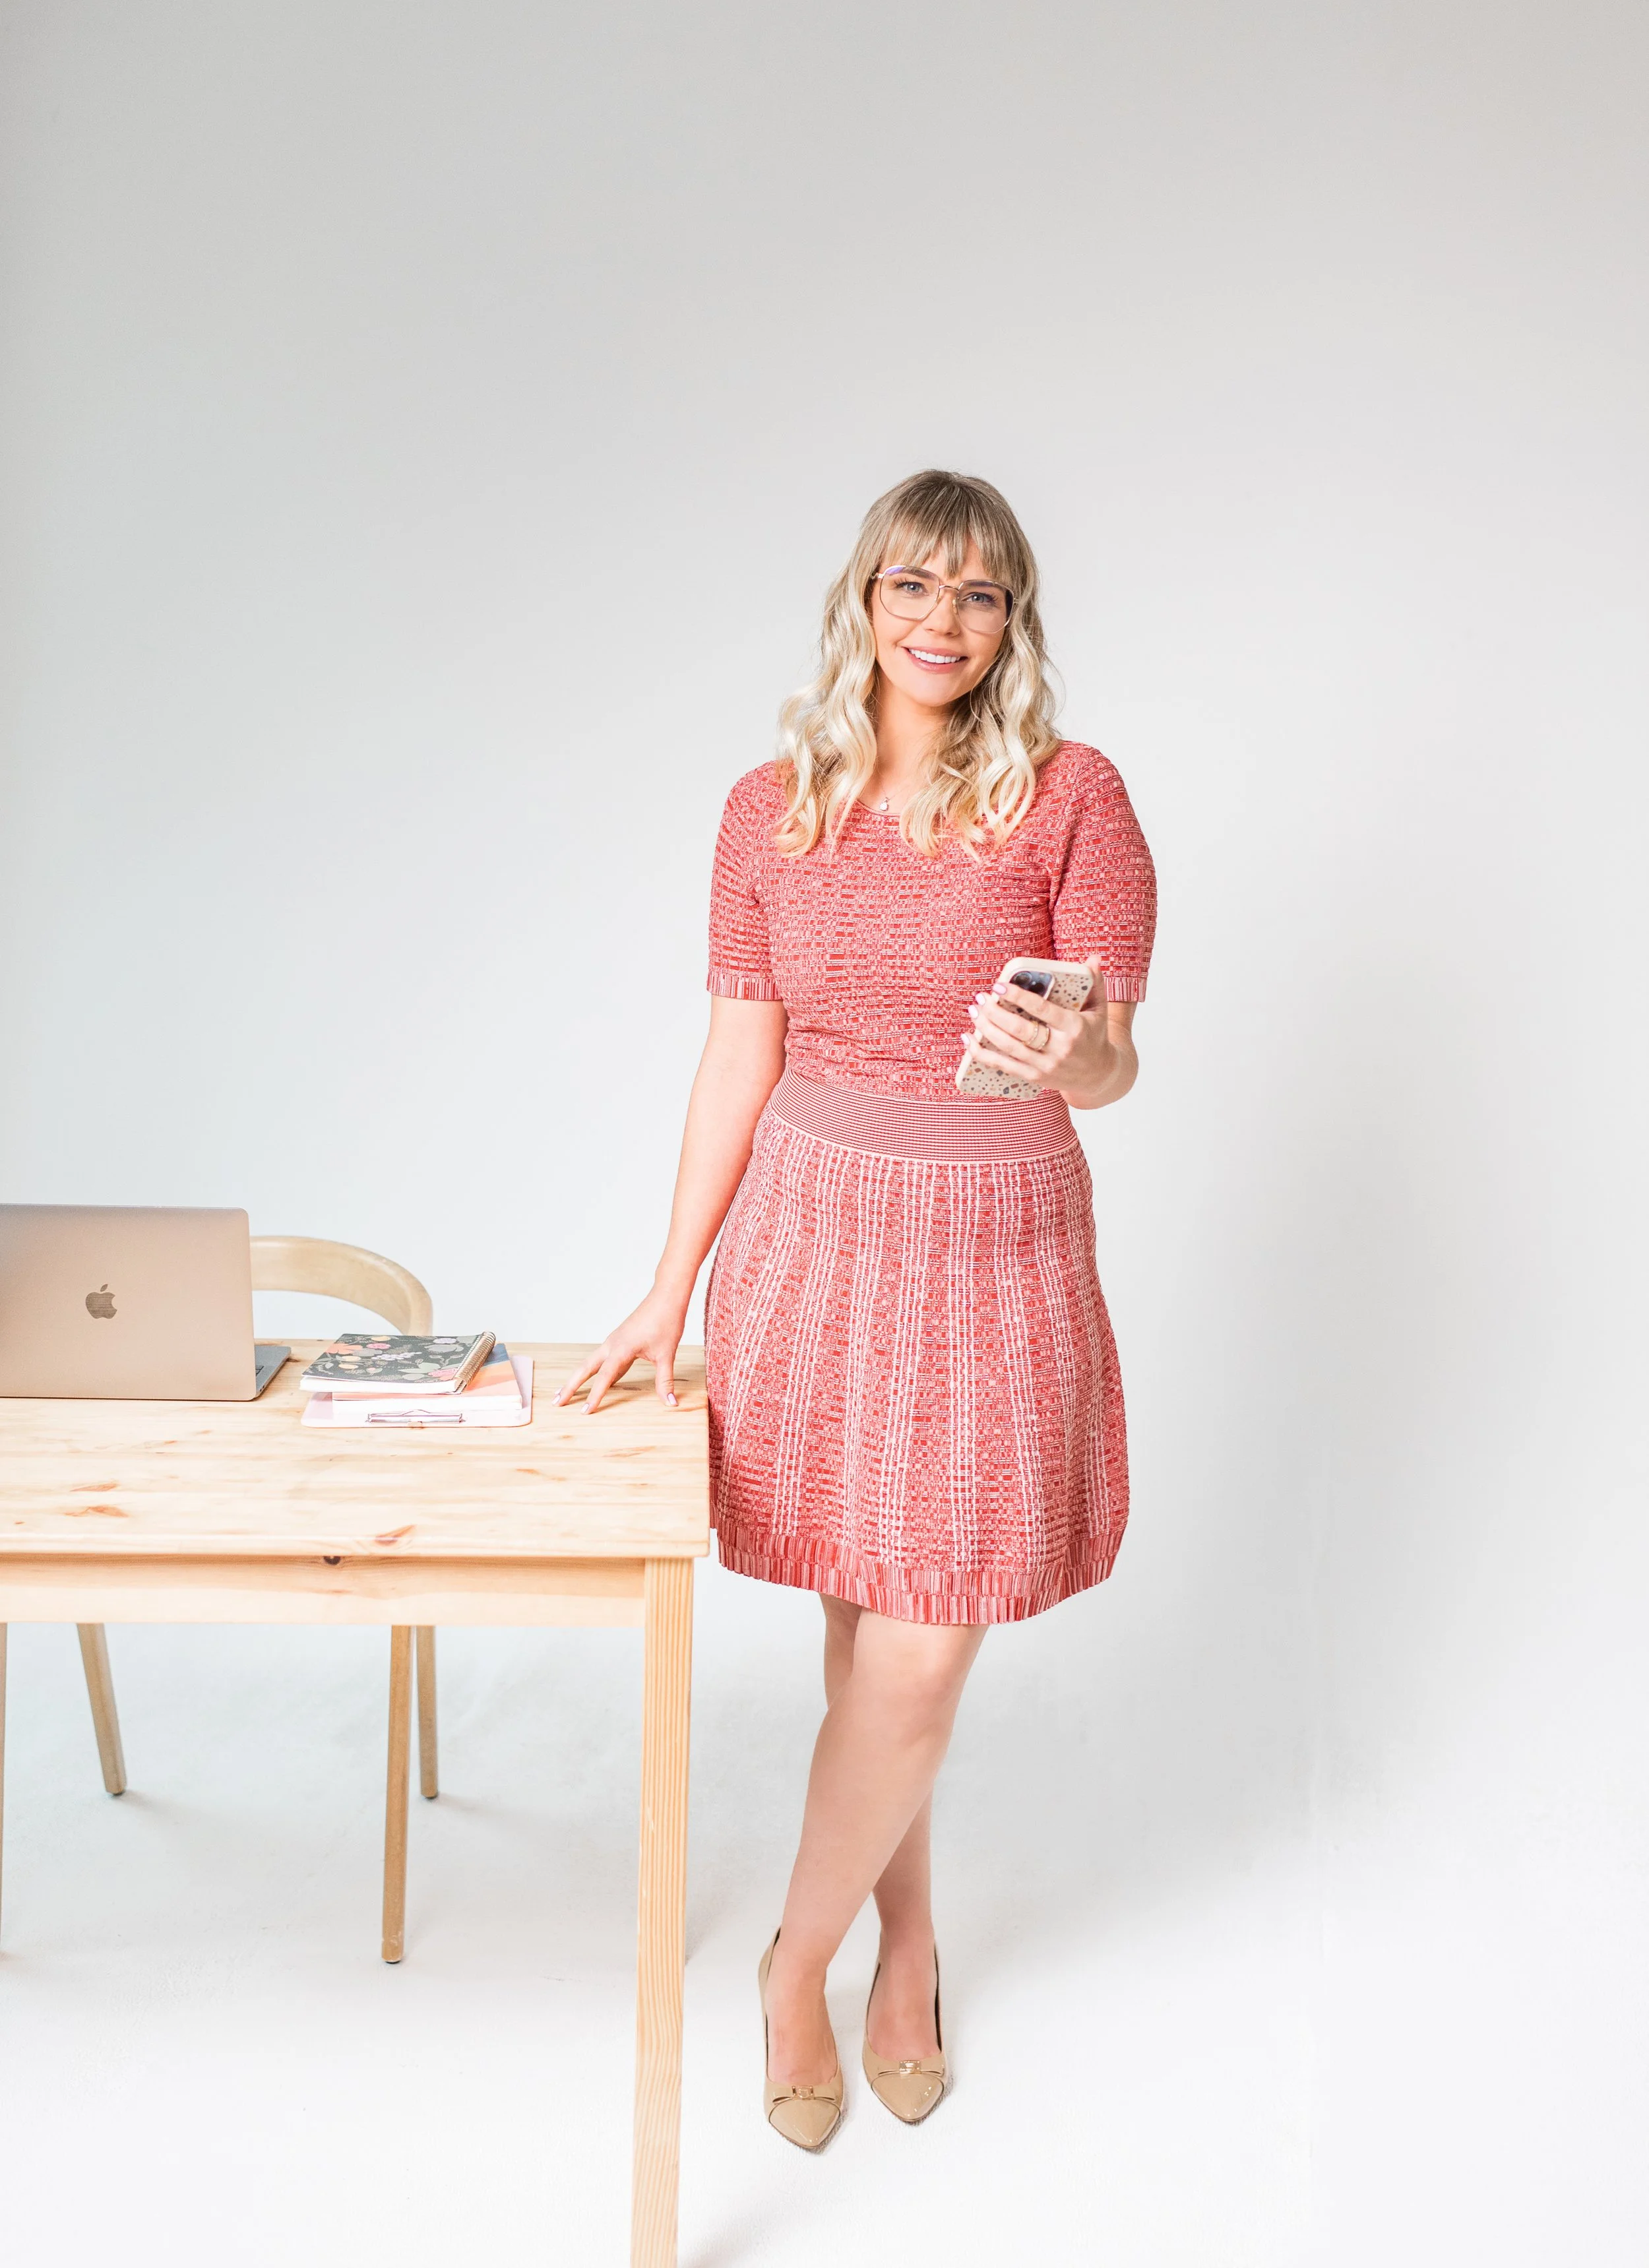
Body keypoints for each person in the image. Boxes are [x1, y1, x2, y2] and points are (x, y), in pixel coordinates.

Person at [560, 468, 1156, 2149]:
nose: (940, 622)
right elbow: (735, 1057)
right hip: (813, 1244)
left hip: (995, 1246)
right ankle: (905, 1944)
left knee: (916, 1654)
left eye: (977, 594)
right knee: (860, 1635)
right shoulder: (770, 808)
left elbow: (1113, 1058)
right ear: (862, 601)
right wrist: (669, 1284)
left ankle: (790, 1961)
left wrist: (1082, 1051)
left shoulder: (1073, 795)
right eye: (912, 586)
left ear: (1010, 620)